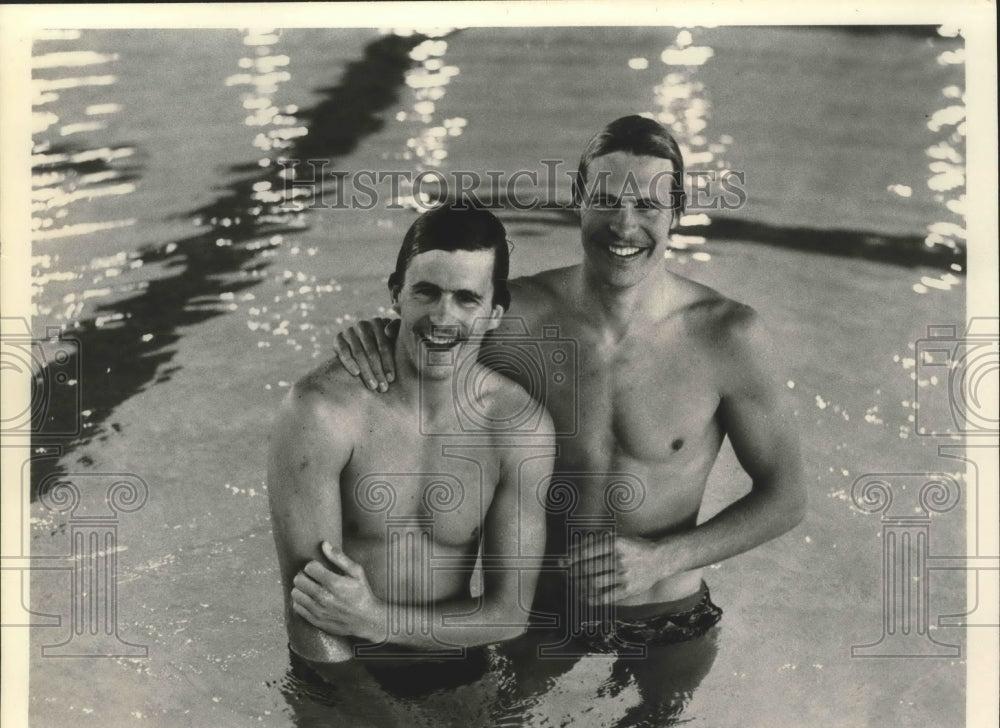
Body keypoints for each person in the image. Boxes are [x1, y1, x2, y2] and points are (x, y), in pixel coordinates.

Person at [332, 115, 807, 654]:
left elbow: (786, 497)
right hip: (537, 614)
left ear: (676, 212)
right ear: (578, 200)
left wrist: (664, 557)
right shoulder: (514, 320)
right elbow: (434, 328)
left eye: (648, 205)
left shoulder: (728, 336)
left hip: (665, 610)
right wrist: (379, 335)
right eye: (605, 200)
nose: (625, 226)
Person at [267, 203, 555, 666]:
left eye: (466, 298)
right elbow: (309, 614)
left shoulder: (519, 426)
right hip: (339, 668)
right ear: (395, 294)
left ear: (495, 312)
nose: (442, 317)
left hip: (454, 657)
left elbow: (510, 613)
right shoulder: (321, 412)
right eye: (426, 292)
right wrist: (363, 721)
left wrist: (377, 620)